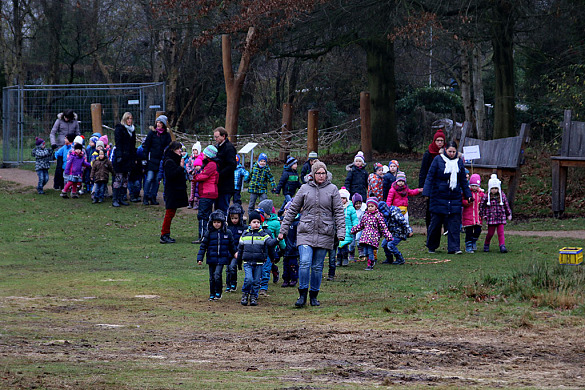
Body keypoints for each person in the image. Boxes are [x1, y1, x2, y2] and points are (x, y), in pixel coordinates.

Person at [279, 161, 345, 308]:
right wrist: (283, 230)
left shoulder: (333, 189)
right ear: (313, 174)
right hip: (305, 231)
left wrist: (341, 232)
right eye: (318, 173)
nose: (321, 176)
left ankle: (314, 295)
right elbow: (292, 210)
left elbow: (339, 213)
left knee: (317, 267)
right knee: (304, 262)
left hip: (325, 232)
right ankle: (302, 295)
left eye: (323, 173)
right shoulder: (304, 188)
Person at [422, 140, 472, 254]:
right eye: (449, 151)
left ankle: (454, 248)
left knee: (454, 224)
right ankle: (432, 246)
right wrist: (426, 192)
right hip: (438, 196)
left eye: (454, 151)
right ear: (445, 150)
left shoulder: (459, 162)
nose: (451, 153)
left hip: (454, 196)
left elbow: (463, 180)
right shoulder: (437, 160)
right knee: (435, 224)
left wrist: (468, 194)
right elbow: (430, 176)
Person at [238, 210, 277, 306]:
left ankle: (254, 296)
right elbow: (240, 249)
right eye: (254, 222)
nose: (256, 224)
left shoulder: (263, 234)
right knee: (249, 279)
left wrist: (278, 239)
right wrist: (239, 262)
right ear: (250, 223)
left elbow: (270, 243)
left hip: (259, 263)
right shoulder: (244, 235)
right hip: (247, 262)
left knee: (256, 281)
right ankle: (245, 294)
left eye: (258, 222)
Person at [197, 210, 237, 301]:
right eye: (214, 222)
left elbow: (232, 245)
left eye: (218, 222)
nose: (216, 224)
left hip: (222, 258)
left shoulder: (228, 233)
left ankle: (218, 292)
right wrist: (200, 258)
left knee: (217, 275)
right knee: (212, 277)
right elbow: (203, 246)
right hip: (211, 258)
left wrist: (235, 254)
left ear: (222, 223)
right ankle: (212, 293)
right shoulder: (209, 233)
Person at [350, 197, 393, 271]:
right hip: (365, 236)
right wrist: (354, 229)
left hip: (373, 237)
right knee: (365, 251)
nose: (370, 208)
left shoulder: (378, 216)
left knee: (370, 251)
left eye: (372, 206)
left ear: (376, 207)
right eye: (369, 206)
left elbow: (383, 226)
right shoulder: (365, 215)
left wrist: (387, 235)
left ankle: (370, 264)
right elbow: (361, 225)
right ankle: (369, 262)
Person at [160, 141, 188, 244]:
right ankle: (164, 234)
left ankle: (166, 233)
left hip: (175, 190)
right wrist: (180, 167)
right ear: (173, 150)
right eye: (178, 148)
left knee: (171, 213)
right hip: (172, 191)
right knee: (169, 213)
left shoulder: (173, 160)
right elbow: (171, 175)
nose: (180, 150)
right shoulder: (169, 162)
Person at [257, 199, 286, 296]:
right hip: (258, 250)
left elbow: (279, 237)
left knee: (266, 269)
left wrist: (283, 248)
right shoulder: (257, 222)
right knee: (260, 268)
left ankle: (263, 288)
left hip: (270, 250)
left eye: (261, 210)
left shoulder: (275, 223)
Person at [419, 128, 446, 228]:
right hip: (431, 184)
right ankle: (429, 227)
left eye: (441, 141)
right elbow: (423, 171)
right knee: (430, 207)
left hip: (442, 184)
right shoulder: (428, 154)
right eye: (438, 140)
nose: (440, 143)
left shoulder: (446, 152)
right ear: (434, 141)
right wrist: (422, 186)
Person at [192, 145, 219, 243]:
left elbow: (204, 176)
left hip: (207, 193)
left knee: (202, 215)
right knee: (206, 215)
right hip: (207, 192)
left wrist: (195, 176)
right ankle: (206, 235)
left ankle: (203, 237)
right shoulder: (209, 164)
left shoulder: (211, 165)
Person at [142, 115, 172, 206]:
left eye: (160, 123)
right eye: (157, 122)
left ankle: (153, 197)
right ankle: (145, 197)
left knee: (156, 180)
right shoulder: (152, 133)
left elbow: (168, 147)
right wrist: (144, 159)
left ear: (163, 124)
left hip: (160, 160)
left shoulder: (166, 135)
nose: (158, 124)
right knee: (149, 178)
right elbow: (146, 146)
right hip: (151, 159)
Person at [480, 174, 512, 253]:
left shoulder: (502, 196)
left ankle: (502, 245)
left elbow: (506, 205)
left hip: (500, 217)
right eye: (492, 188)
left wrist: (508, 214)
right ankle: (486, 244)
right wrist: (483, 214)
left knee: (500, 233)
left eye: (495, 188)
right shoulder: (486, 196)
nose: (494, 190)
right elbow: (482, 206)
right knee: (490, 233)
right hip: (491, 218)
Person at [50, 109, 80, 190]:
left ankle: (68, 184)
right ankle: (57, 184)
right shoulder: (59, 121)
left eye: (68, 118)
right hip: (60, 146)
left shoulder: (75, 122)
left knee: (70, 167)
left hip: (72, 147)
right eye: (65, 117)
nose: (66, 119)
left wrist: (78, 144)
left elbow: (78, 133)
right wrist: (53, 143)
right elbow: (53, 133)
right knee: (59, 167)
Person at [112, 112, 137, 207]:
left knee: (125, 179)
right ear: (124, 119)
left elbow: (133, 145)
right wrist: (119, 156)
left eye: (131, 118)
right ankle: (115, 198)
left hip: (129, 158)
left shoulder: (132, 130)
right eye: (128, 118)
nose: (130, 120)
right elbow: (118, 143)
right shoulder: (119, 129)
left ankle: (122, 197)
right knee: (118, 178)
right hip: (121, 157)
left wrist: (134, 158)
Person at [378, 201, 413, 265]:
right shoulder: (383, 216)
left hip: (399, 233)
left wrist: (409, 231)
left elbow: (404, 222)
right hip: (391, 233)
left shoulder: (395, 214)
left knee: (390, 244)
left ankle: (400, 259)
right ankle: (389, 259)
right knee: (384, 244)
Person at [213, 127, 237, 213]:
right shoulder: (217, 147)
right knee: (217, 207)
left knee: (223, 208)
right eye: (214, 137)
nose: (215, 139)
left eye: (217, 137)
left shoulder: (229, 148)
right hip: (218, 184)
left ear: (223, 136)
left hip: (226, 184)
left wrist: (219, 174)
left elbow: (232, 165)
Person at [225, 203, 246, 293]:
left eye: (236, 218)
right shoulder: (226, 228)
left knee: (232, 267)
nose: (234, 220)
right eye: (232, 218)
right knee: (227, 269)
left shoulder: (243, 228)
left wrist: (238, 251)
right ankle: (228, 285)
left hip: (237, 252)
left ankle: (234, 282)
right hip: (227, 252)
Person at [462, 173, 484, 253]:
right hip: (469, 217)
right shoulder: (467, 193)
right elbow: (462, 202)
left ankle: (473, 241)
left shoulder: (481, 194)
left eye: (476, 186)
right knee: (469, 232)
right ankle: (468, 245)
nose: (474, 187)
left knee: (478, 230)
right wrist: (468, 201)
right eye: (472, 186)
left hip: (478, 217)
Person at [337, 187, 358, 267]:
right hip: (338, 230)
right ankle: (339, 259)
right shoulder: (336, 208)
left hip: (347, 230)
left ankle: (345, 259)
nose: (342, 200)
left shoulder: (351, 208)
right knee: (339, 246)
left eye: (343, 198)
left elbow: (354, 219)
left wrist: (355, 227)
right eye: (340, 198)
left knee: (345, 246)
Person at [281, 202, 300, 287]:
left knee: (293, 265)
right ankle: (285, 279)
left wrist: (295, 245)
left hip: (293, 249)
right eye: (285, 210)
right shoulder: (284, 223)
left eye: (287, 210)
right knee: (285, 265)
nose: (285, 211)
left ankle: (294, 279)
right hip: (285, 249)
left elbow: (298, 236)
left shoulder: (297, 223)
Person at [186, 142, 203, 209]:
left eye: (196, 150)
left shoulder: (201, 158)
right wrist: (190, 171)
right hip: (192, 177)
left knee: (197, 190)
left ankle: (197, 203)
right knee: (192, 190)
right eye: (193, 150)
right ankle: (190, 202)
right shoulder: (191, 158)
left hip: (198, 177)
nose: (194, 151)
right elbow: (187, 166)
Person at [350, 192, 366, 262]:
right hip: (352, 228)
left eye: (360, 203)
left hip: (360, 227)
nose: (358, 205)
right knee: (352, 243)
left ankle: (361, 253)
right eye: (356, 204)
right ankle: (351, 254)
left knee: (359, 239)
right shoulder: (351, 210)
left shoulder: (362, 210)